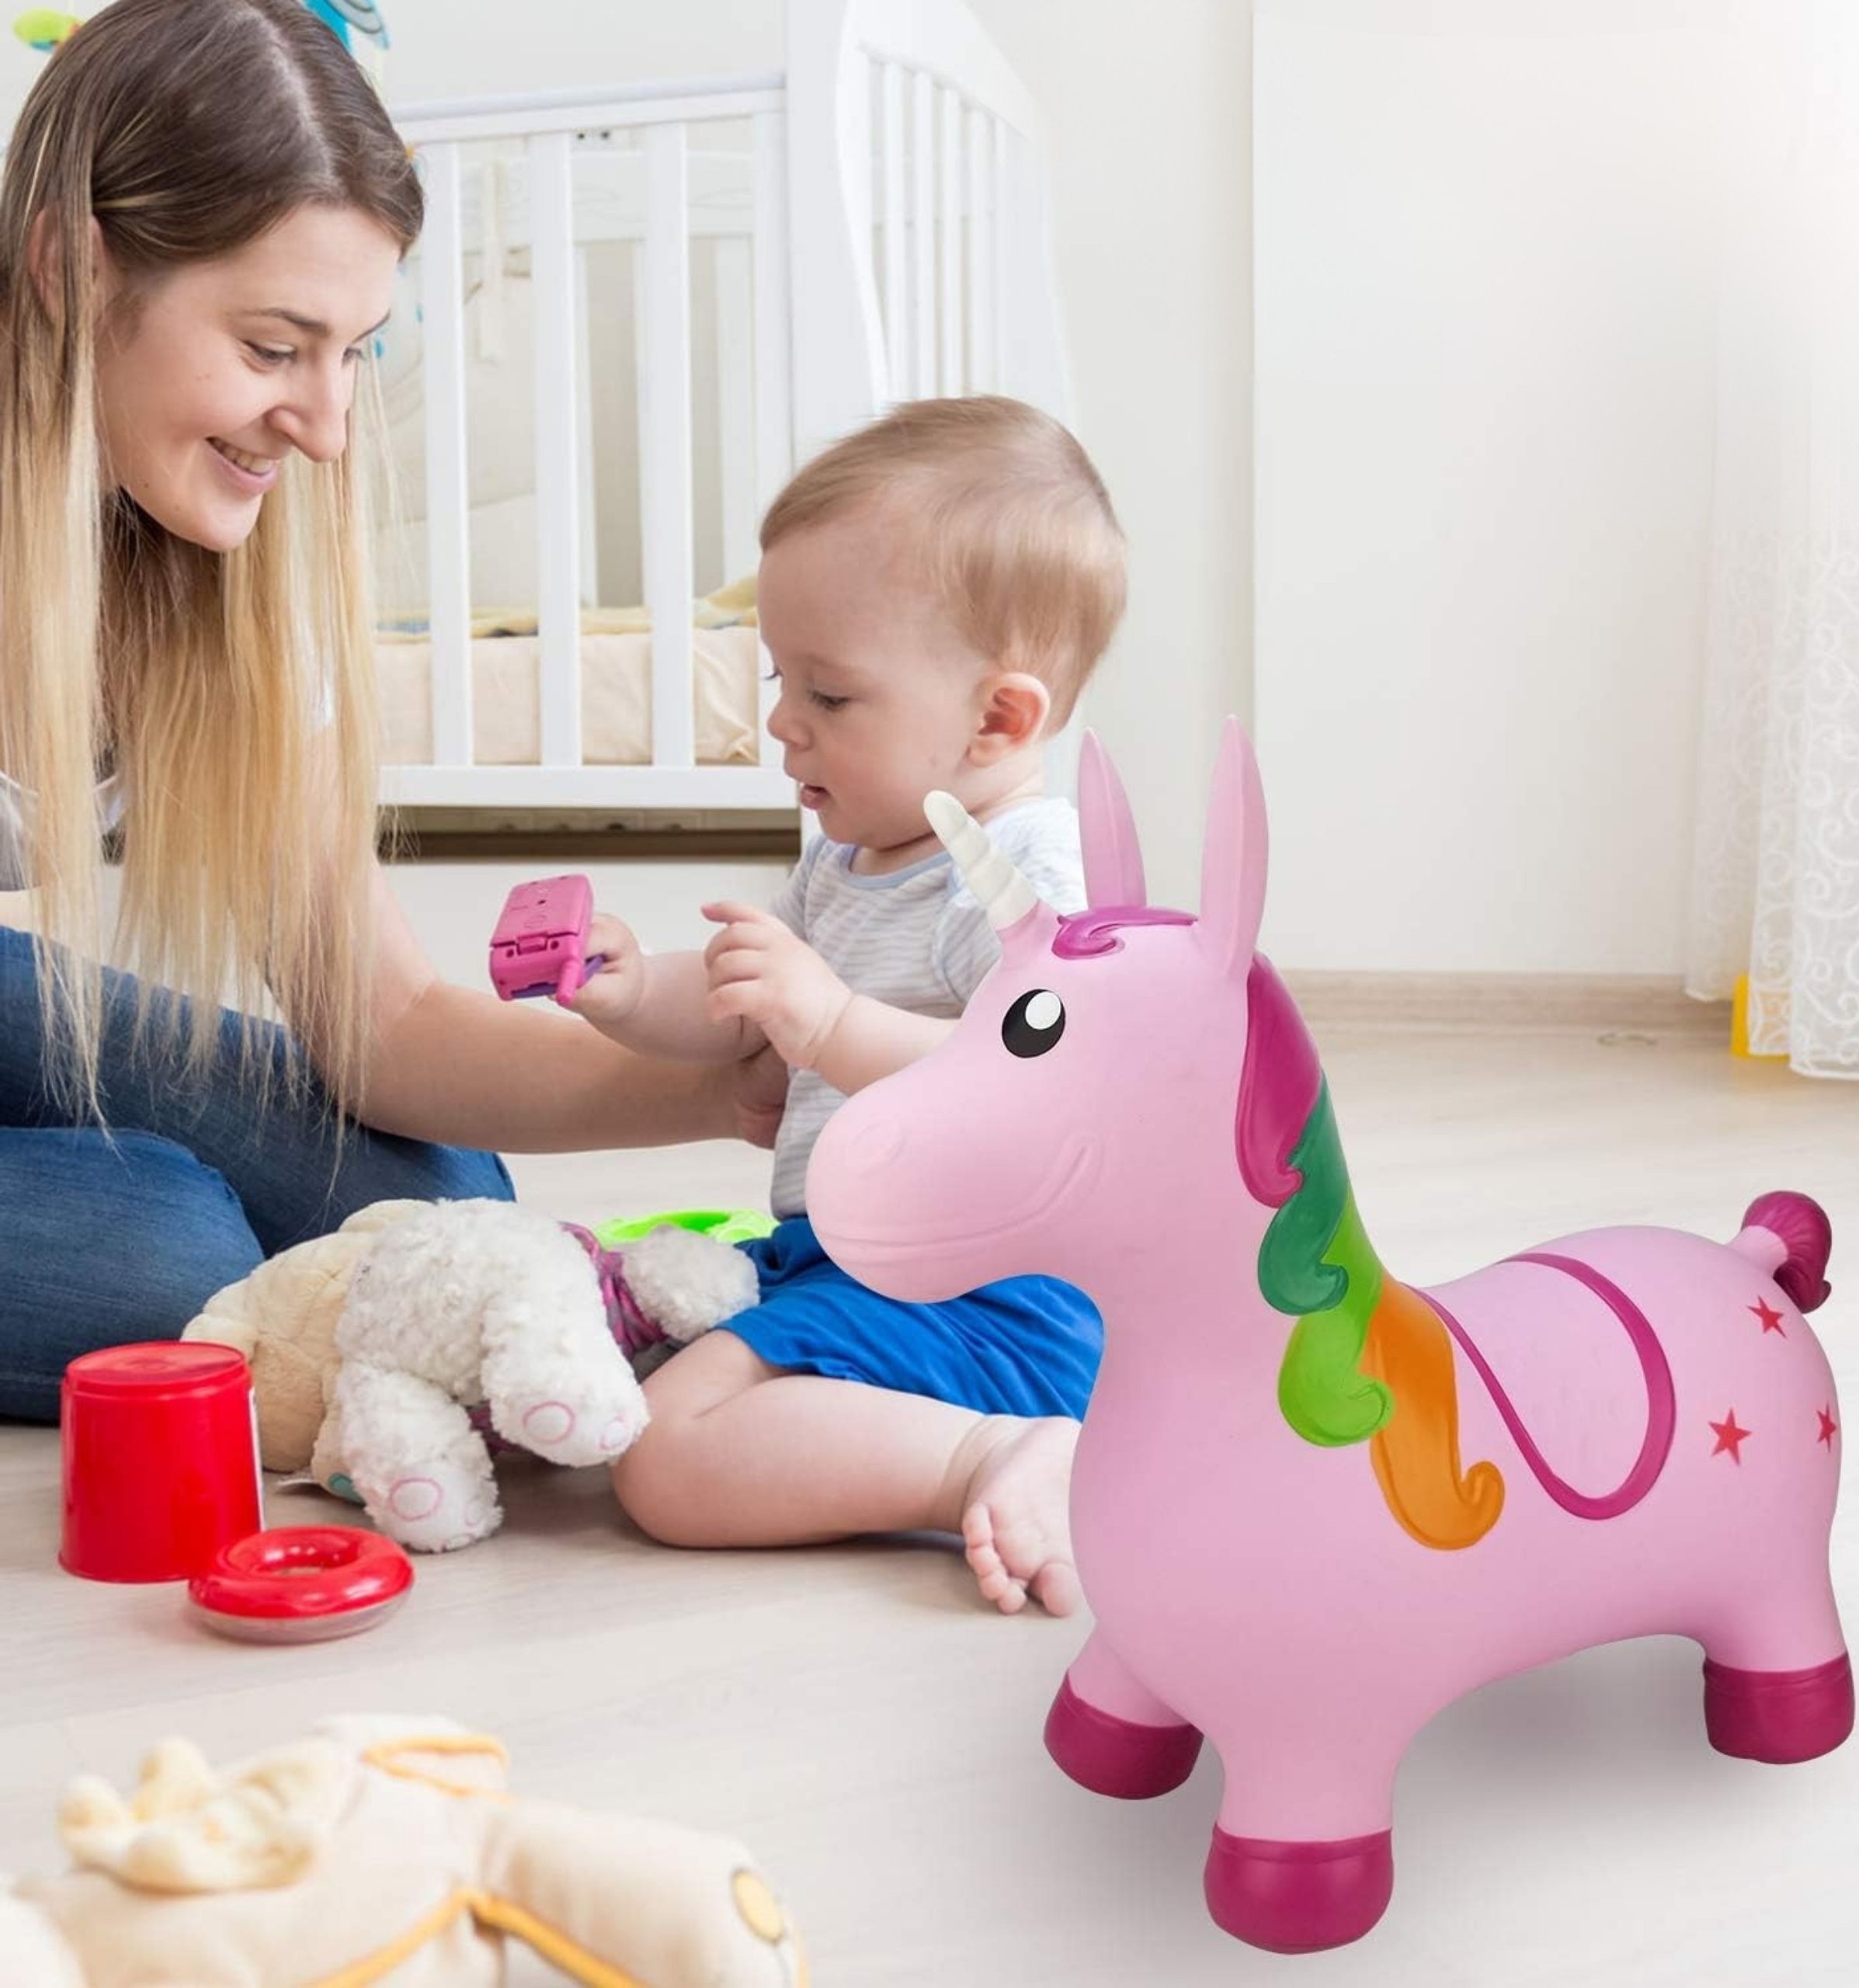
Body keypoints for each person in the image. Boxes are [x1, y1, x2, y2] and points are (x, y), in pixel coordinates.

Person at [0, 0, 779, 1425]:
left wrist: (737, 1076)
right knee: (164, 1250)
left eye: (353, 351)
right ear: (69, 268)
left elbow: (391, 1027)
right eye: (272, 346)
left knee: (439, 1202)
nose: (327, 425)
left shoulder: (215, 578)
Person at [566, 396, 1128, 1614]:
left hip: (987, 1290)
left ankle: (994, 1455)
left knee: (662, 1454)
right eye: (782, 678)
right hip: (853, 1258)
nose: (781, 721)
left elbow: (1039, 1086)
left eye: (828, 694)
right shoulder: (852, 859)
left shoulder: (1018, 874)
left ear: (998, 719)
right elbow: (740, 1008)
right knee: (615, 1356)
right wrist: (634, 989)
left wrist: (831, 1027)